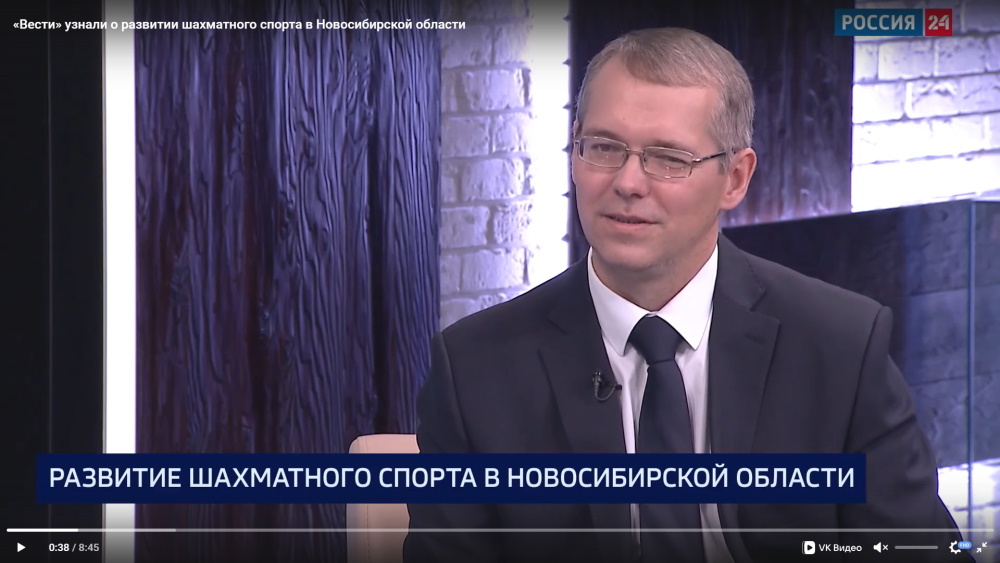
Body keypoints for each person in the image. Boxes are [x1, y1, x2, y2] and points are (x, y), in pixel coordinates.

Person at [403, 27, 970, 563]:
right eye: (604, 147)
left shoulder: (839, 344)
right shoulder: (476, 369)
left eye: (669, 158)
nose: (627, 182)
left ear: (735, 178)